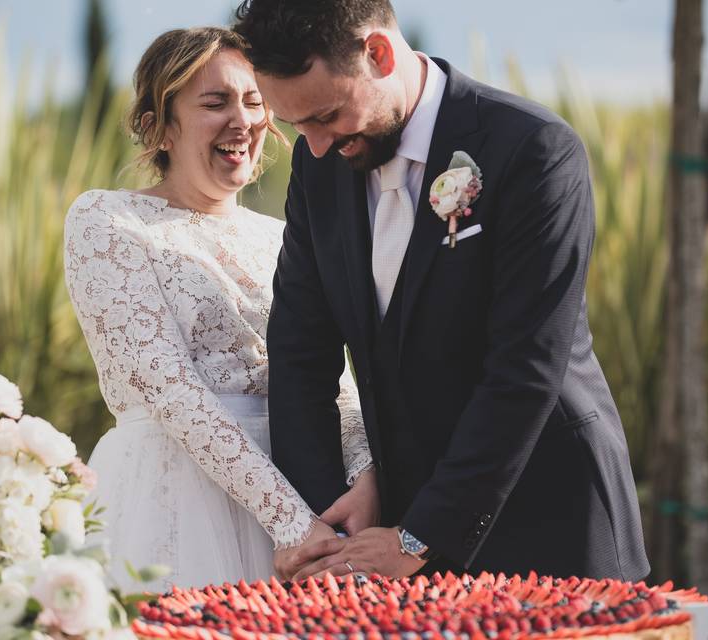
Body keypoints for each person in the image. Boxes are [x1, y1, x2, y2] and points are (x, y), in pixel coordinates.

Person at [233, 0, 651, 582]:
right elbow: (301, 349)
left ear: (377, 54)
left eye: (326, 115)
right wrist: (324, 517)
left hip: (547, 519)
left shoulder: (532, 150)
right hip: (398, 534)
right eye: (296, 124)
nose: (317, 144)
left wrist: (422, 534)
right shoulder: (317, 163)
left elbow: (525, 367)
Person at [63, 27, 375, 592]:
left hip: (302, 489)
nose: (244, 120)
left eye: (254, 101)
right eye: (215, 102)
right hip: (174, 494)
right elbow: (172, 391)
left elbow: (333, 379)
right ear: (158, 125)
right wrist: (290, 523)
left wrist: (364, 478)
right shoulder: (107, 221)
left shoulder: (284, 236)